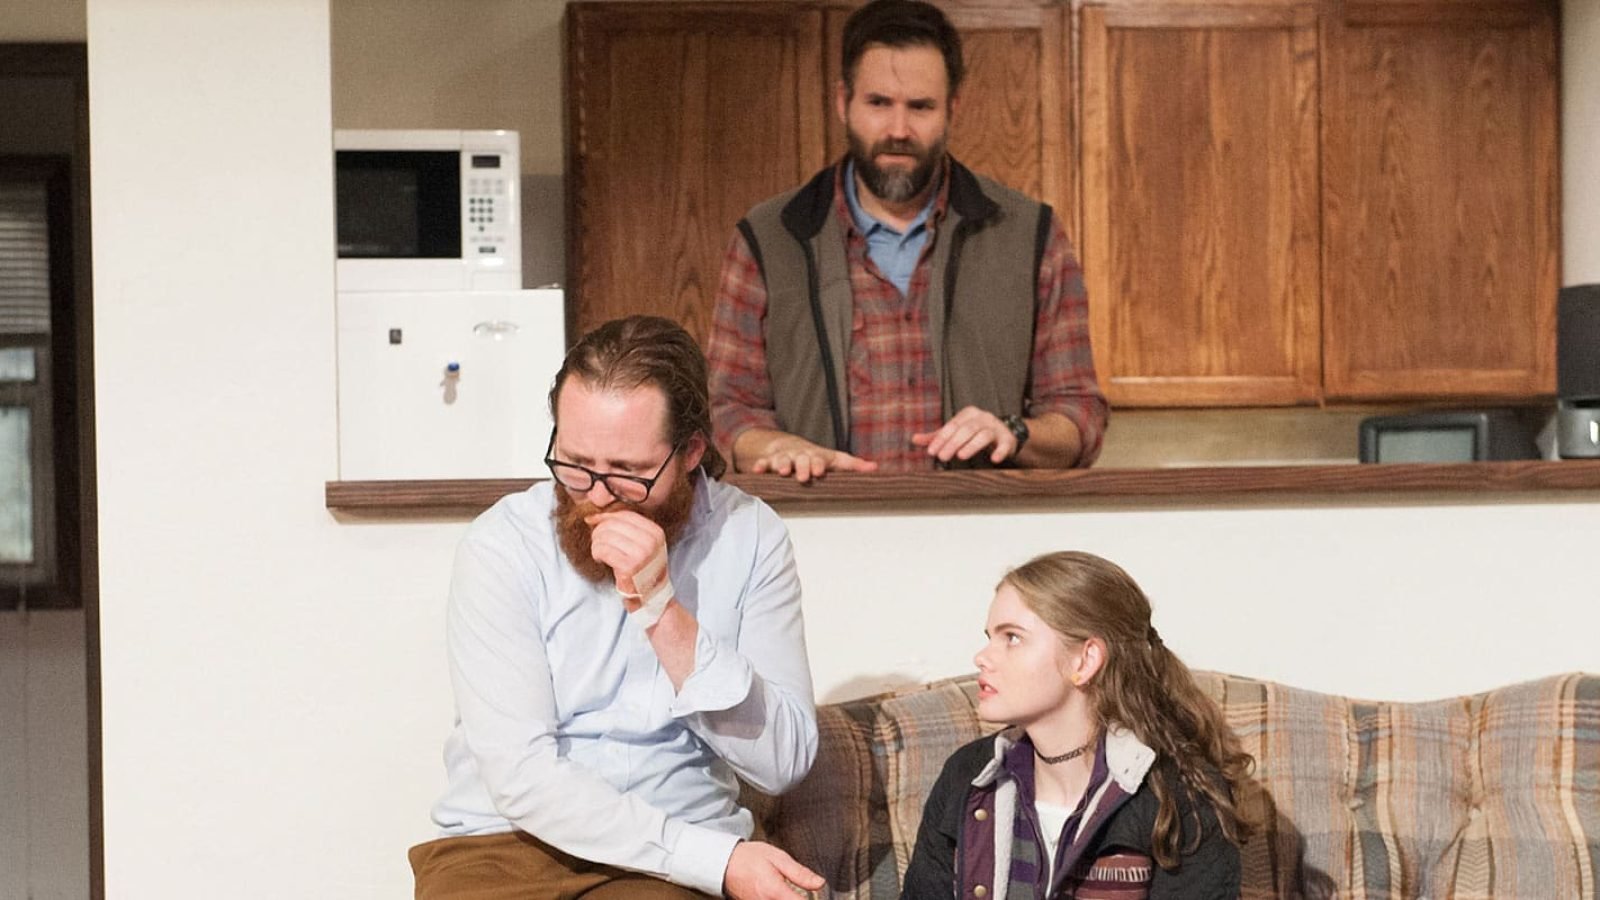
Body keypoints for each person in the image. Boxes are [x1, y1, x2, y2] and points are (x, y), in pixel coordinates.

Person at [409, 316, 825, 900]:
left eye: (628, 474)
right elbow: (521, 777)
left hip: (672, 852)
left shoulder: (750, 537)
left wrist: (662, 610)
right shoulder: (503, 543)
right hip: (503, 846)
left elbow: (782, 763)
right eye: (575, 464)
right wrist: (715, 860)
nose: (597, 497)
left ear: (691, 452)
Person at [707, 0, 1108, 484]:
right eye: (879, 103)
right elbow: (723, 410)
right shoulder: (770, 237)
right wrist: (770, 445)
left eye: (920, 107)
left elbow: (1079, 417)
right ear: (843, 102)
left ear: (953, 108)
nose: (898, 130)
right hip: (817, 533)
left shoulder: (1030, 235)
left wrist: (1014, 432)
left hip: (981, 535)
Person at [901, 552, 1253, 899]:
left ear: (1085, 660)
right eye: (990, 635)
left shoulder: (1180, 793)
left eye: (1012, 637)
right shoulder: (968, 774)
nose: (982, 657)